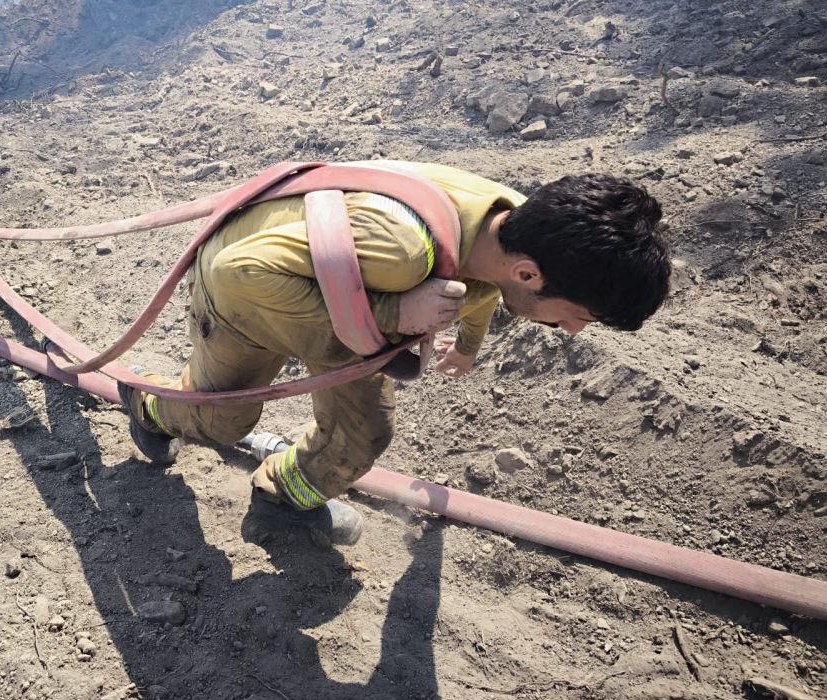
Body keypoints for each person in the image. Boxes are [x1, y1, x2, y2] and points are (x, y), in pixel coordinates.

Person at [121, 161, 670, 544]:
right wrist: (392, 315)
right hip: (254, 289)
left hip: (349, 287)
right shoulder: (404, 253)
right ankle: (148, 404)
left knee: (363, 432)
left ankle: (281, 498)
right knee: (223, 420)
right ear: (529, 274)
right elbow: (237, 271)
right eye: (581, 315)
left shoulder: (516, 226)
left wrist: (468, 347)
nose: (573, 330)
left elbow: (479, 283)